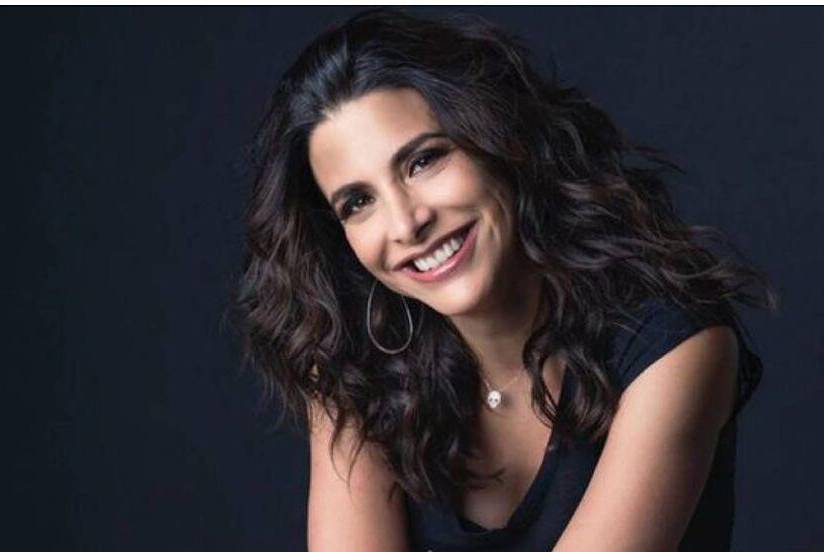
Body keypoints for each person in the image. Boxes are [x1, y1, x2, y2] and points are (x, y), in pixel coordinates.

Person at [233, 7, 778, 551]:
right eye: (358, 202)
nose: (405, 224)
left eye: (424, 161)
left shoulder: (671, 348)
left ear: (497, 136)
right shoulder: (353, 365)